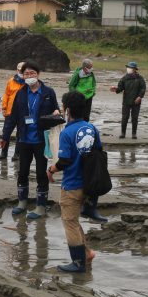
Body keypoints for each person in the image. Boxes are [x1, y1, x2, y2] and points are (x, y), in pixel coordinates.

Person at [47, 91, 101, 273]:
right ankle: (87, 253)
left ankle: (78, 263)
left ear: (67, 110)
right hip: (90, 183)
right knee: (74, 221)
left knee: (69, 222)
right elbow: (99, 153)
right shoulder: (92, 128)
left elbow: (64, 161)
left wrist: (51, 170)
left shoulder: (67, 132)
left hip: (72, 184)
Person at [0, 61, 60, 219]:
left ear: (38, 74)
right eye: (26, 73)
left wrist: (56, 113)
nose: (29, 76)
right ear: (22, 76)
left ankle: (41, 206)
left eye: (32, 73)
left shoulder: (48, 92)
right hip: (24, 139)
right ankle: (22, 202)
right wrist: (5, 137)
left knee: (41, 173)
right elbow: (12, 117)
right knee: (22, 171)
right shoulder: (20, 93)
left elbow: (57, 111)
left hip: (41, 140)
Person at [111, 61, 146, 139]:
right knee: (125, 117)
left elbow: (143, 88)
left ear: (135, 69)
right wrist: (115, 89)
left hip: (136, 101)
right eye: (128, 67)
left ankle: (134, 134)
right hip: (126, 101)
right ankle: (123, 133)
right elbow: (120, 88)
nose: (128, 69)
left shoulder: (140, 78)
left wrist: (140, 97)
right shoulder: (124, 78)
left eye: (130, 68)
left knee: (135, 118)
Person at [0, 62, 25, 161]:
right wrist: (4, 107)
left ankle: (17, 154)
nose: (21, 72)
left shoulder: (29, 82)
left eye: (23, 70)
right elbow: (6, 94)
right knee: (6, 133)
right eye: (19, 70)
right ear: (17, 70)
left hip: (23, 113)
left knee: (21, 134)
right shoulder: (11, 81)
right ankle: (3, 153)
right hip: (10, 112)